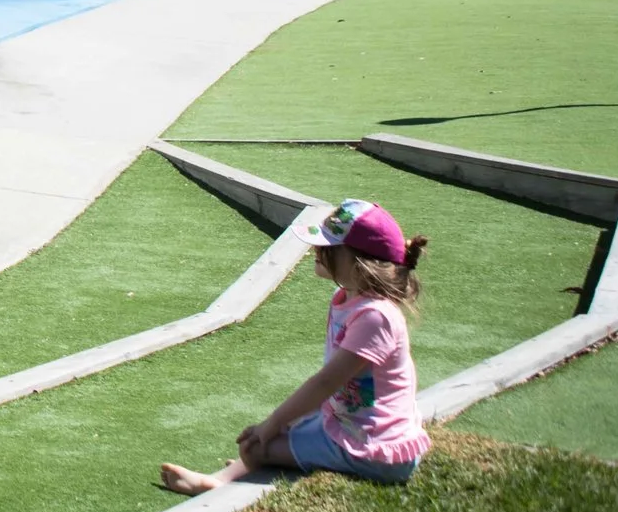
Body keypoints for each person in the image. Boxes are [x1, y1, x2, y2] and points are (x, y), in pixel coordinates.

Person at [162, 199, 431, 495]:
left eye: (329, 247)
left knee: (255, 447)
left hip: (373, 447)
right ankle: (237, 471)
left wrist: (275, 421)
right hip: (351, 423)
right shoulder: (348, 300)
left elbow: (326, 381)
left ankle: (222, 482)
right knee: (275, 436)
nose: (317, 250)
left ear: (359, 263)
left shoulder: (376, 316)